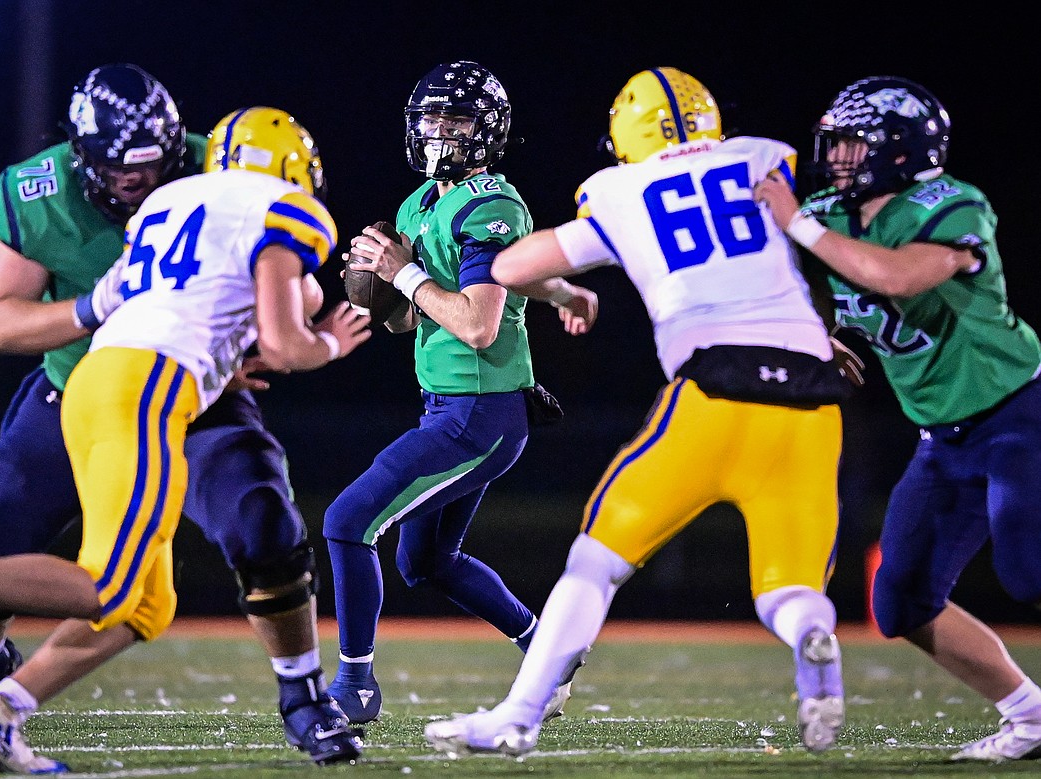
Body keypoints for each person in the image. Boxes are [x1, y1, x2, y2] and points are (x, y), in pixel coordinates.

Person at [0, 97, 370, 769]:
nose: (135, 178)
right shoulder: (285, 205)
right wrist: (330, 342)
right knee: (105, 585)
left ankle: (1, 712)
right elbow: (284, 338)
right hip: (145, 393)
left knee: (148, 602)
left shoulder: (171, 200)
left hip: (119, 380)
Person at [424, 66, 854, 758]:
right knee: (790, 583)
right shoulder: (760, 160)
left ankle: (520, 714)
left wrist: (564, 283)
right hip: (811, 396)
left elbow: (508, 267)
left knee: (594, 562)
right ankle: (810, 631)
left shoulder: (622, 189)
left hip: (712, 391)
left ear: (630, 132)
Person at [753, 75, 1041, 763]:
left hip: (1019, 418)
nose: (839, 156)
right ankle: (1031, 717)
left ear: (902, 149)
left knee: (1029, 572)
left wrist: (797, 223)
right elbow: (832, 293)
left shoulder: (950, 203)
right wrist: (826, 342)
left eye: (855, 143)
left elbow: (898, 278)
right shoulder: (829, 212)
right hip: (942, 438)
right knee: (902, 600)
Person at [322, 60, 598, 725]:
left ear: (488, 132)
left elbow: (478, 321)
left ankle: (354, 687)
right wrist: (379, 287)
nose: (440, 133)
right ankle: (548, 650)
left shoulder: (491, 205)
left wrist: (405, 271)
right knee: (427, 561)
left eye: (456, 121)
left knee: (346, 521)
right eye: (431, 120)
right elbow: (418, 312)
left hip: (482, 414)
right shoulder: (419, 204)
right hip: (446, 406)